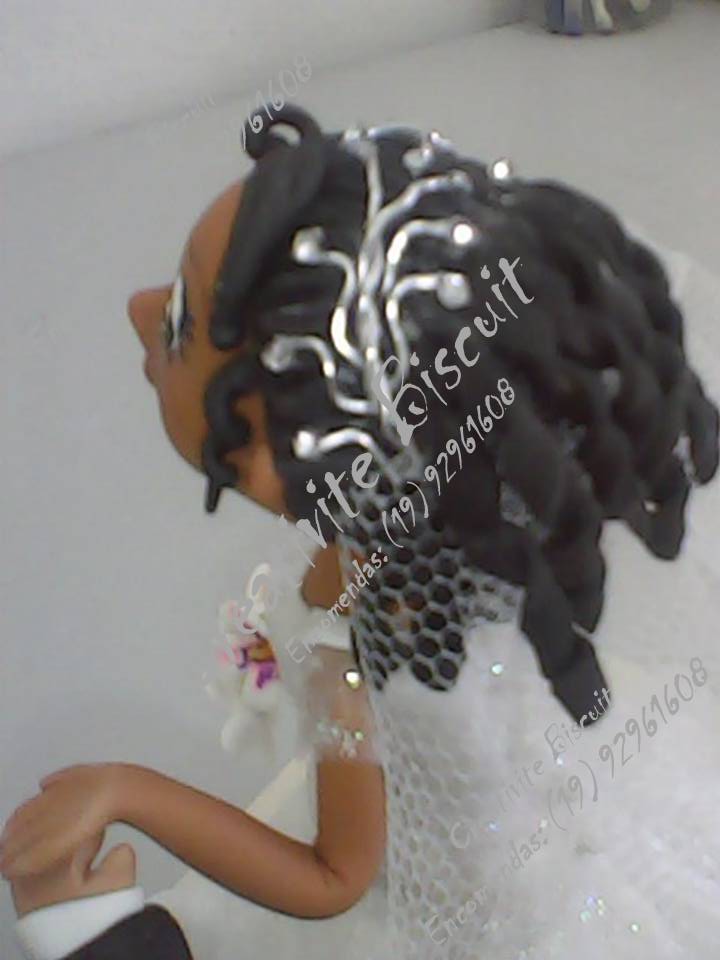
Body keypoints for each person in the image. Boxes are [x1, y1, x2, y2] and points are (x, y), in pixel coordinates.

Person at [3, 103, 720, 959]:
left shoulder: (390, 643)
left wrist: (128, 791)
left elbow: (332, 877)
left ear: (271, 454)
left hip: (458, 909)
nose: (137, 307)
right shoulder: (414, 521)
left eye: (182, 325)